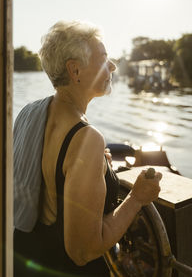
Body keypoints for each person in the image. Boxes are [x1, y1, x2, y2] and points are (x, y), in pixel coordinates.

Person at [14, 20, 162, 277]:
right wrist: (137, 197)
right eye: (104, 58)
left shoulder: (28, 113)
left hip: (24, 259)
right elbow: (82, 251)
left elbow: (50, 181)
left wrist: (92, 164)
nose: (113, 65)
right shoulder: (86, 138)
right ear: (75, 71)